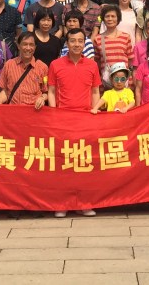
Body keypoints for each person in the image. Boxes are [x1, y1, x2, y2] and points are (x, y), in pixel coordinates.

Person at [48, 27, 101, 218]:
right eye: (73, 41)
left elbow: (95, 92)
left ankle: (84, 204)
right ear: (67, 43)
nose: (76, 44)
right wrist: (54, 114)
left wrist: (94, 113)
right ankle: (62, 204)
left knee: (84, 163)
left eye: (80, 41)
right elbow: (51, 91)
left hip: (85, 120)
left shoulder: (92, 65)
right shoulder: (56, 65)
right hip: (63, 120)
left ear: (84, 43)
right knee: (63, 164)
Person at [0, 31, 48, 109]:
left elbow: (46, 92)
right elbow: (4, 90)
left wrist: (42, 98)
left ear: (35, 47)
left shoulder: (43, 67)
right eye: (25, 44)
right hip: (12, 111)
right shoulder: (9, 65)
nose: (28, 48)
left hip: (34, 112)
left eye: (31, 45)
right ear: (18, 46)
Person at [94, 4, 134, 86]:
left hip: (124, 82)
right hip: (106, 83)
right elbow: (97, 62)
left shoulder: (126, 37)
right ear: (103, 19)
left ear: (118, 19)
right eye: (107, 16)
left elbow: (130, 60)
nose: (110, 19)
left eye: (113, 16)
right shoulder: (97, 39)